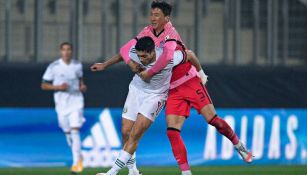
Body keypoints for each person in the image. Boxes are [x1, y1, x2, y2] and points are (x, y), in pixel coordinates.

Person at [91, 36, 187, 175]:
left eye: (144, 56)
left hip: (155, 96)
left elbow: (189, 55)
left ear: (153, 51)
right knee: (126, 132)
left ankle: (112, 172)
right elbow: (122, 55)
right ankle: (133, 171)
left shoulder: (169, 57)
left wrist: (199, 73)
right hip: (136, 90)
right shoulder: (135, 53)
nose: (141, 59)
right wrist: (104, 65)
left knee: (135, 134)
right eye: (139, 56)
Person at [41, 42, 87, 174]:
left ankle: (76, 164)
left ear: (71, 51)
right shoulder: (54, 67)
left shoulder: (77, 65)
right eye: (64, 50)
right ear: (60, 52)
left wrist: (82, 86)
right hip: (61, 104)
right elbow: (44, 85)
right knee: (67, 131)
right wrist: (58, 87)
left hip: (76, 101)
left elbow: (80, 80)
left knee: (75, 129)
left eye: (69, 50)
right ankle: (79, 155)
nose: (66, 52)